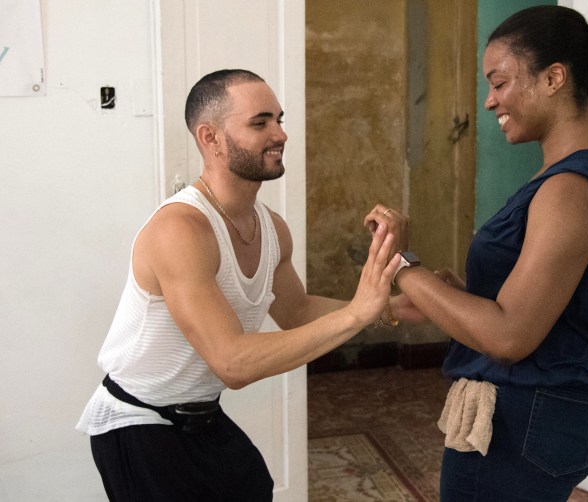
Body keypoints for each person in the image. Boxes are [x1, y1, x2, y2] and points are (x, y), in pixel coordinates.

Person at [76, 69, 401, 501]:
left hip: (202, 416)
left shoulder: (272, 229)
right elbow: (233, 363)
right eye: (260, 122)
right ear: (210, 138)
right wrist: (359, 311)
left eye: (279, 119)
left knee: (253, 486)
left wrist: (388, 307)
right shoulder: (180, 229)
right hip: (137, 424)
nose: (280, 134)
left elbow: (296, 312)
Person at [366, 6, 588, 501]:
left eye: (500, 82)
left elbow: (510, 334)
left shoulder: (571, 187)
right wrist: (459, 294)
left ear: (554, 77)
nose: (490, 101)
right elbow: (559, 301)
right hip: (554, 407)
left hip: (530, 411)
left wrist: (402, 265)